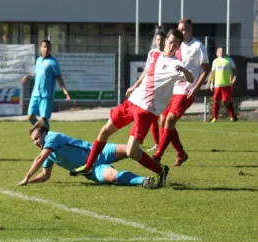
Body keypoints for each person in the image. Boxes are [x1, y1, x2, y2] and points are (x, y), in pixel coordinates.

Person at [70, 29, 193, 188]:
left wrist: (184, 71)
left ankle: (161, 169)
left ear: (178, 47)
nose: (171, 47)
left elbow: (190, 78)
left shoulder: (177, 64)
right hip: (131, 102)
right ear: (166, 41)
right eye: (170, 43)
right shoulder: (153, 54)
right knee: (105, 130)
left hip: (145, 110)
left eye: (175, 45)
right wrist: (134, 86)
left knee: (131, 151)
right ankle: (88, 167)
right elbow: (147, 72)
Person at [17, 122, 156, 188]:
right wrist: (29, 181)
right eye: (33, 140)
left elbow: (40, 158)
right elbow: (45, 175)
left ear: (44, 133)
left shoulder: (52, 137)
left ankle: (159, 168)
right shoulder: (49, 154)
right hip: (92, 170)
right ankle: (144, 181)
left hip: (98, 151)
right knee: (113, 176)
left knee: (130, 149)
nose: (35, 142)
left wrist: (26, 176)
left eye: (36, 138)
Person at [154, 18, 211, 167]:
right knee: (163, 120)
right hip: (173, 89)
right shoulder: (177, 46)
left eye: (184, 29)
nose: (181, 31)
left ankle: (157, 155)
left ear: (190, 30)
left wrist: (196, 88)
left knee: (170, 120)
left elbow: (206, 68)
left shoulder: (198, 46)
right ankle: (181, 153)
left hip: (186, 90)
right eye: (180, 29)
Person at [21, 40, 70, 129]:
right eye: (44, 47)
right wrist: (28, 76)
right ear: (40, 48)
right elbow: (37, 73)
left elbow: (58, 77)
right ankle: (42, 132)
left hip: (46, 95)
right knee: (30, 117)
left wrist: (65, 90)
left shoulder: (53, 62)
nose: (46, 49)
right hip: (35, 94)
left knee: (44, 119)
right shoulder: (38, 60)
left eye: (48, 47)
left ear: (51, 49)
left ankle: (45, 136)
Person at [146, 30, 166, 153]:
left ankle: (162, 144)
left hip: (165, 90)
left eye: (161, 39)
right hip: (153, 89)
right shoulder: (152, 53)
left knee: (164, 119)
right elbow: (147, 69)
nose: (159, 42)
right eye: (157, 39)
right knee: (153, 118)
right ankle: (157, 143)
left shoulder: (169, 53)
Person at [208, 46, 238, 122]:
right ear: (217, 53)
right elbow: (213, 73)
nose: (221, 52)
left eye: (223, 51)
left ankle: (232, 116)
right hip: (217, 85)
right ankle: (214, 118)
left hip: (226, 84)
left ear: (225, 52)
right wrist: (211, 83)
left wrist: (234, 78)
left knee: (226, 101)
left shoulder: (229, 60)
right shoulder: (215, 61)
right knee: (216, 101)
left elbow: (235, 70)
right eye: (220, 51)